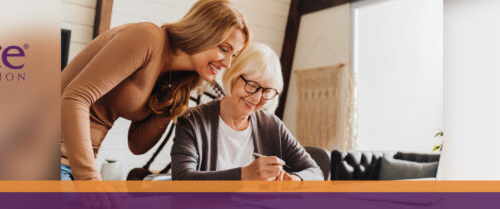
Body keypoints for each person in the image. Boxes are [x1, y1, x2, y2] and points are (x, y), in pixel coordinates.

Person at [61, 0, 250, 180]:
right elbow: (75, 97)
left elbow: (137, 145)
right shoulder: (148, 37)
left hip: (72, 166)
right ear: (203, 32)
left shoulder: (179, 81)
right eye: (224, 49)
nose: (227, 63)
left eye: (233, 55)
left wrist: (172, 105)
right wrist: (90, 179)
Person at [171, 43, 323, 181]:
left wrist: (294, 180)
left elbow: (316, 172)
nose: (257, 98)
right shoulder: (193, 121)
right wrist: (244, 175)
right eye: (251, 85)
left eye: (267, 91)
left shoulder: (271, 126)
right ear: (234, 76)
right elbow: (182, 179)